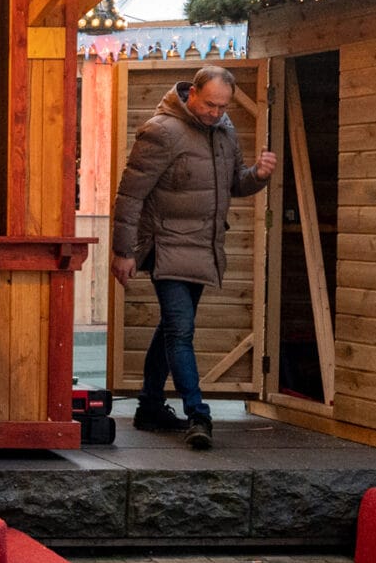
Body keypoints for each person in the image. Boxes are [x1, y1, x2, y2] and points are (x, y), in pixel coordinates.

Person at [110, 64, 277, 451]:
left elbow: (234, 183)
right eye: (210, 105)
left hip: (203, 248)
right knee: (181, 332)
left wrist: (259, 175)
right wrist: (123, 251)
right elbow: (130, 195)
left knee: (171, 328)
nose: (216, 113)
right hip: (167, 246)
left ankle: (150, 405)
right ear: (192, 94)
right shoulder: (161, 131)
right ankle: (198, 414)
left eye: (223, 107)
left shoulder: (224, 130)